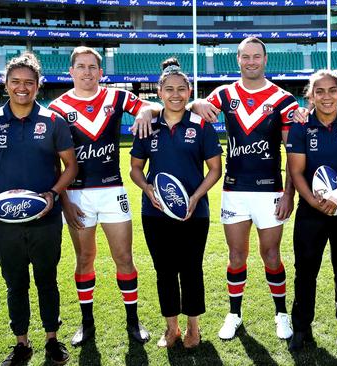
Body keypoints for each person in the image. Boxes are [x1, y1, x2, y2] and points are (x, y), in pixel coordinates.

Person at [183, 37, 299, 340]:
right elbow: (195, 111)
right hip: (234, 190)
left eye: (256, 56)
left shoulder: (283, 99)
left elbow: (293, 153)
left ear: (265, 59)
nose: (251, 62)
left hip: (270, 191)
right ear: (238, 59)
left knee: (271, 255)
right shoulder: (225, 94)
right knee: (236, 256)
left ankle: (281, 314)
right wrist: (196, 102)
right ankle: (234, 314)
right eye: (245, 57)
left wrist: (289, 193)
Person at [0, 52, 77, 365]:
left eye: (29, 82)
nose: (22, 87)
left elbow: (70, 166)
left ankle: (52, 340)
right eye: (15, 81)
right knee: (15, 282)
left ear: (38, 85)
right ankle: (21, 343)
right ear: (6, 83)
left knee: (47, 279)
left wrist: (52, 195)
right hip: (4, 222)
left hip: (45, 218)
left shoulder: (54, 121)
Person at [48, 46, 151, 346]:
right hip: (77, 195)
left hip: (112, 191)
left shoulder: (116, 97)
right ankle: (86, 324)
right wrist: (65, 203)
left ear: (101, 72)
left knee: (124, 257)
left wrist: (145, 109)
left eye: (93, 66)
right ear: (71, 71)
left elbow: (152, 106)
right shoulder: (56, 108)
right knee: (85, 258)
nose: (87, 72)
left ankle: (133, 321)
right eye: (81, 66)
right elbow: (55, 163)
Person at [130, 58, 222, 349]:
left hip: (195, 213)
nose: (175, 94)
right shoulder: (148, 125)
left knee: (192, 268)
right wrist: (146, 188)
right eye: (169, 89)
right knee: (164, 270)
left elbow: (216, 169)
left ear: (189, 90)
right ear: (159, 92)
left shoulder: (201, 125)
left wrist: (195, 197)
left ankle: (194, 328)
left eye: (181, 89)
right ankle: (172, 328)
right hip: (155, 213)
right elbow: (134, 169)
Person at [286, 70, 337, 350]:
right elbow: (295, 170)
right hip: (311, 210)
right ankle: (301, 328)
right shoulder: (300, 126)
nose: (326, 97)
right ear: (310, 96)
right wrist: (311, 200)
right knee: (305, 270)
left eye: (332, 90)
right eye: (319, 91)